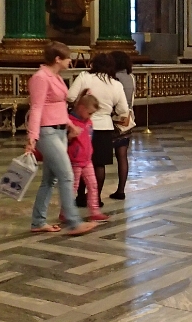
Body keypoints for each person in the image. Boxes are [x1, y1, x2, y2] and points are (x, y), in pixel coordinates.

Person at [26, 41, 96, 236]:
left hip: (59, 131)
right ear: (57, 59)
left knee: (50, 180)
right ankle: (74, 222)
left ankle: (38, 221)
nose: (70, 61)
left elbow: (57, 107)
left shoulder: (55, 77)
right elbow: (37, 108)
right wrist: (32, 137)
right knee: (67, 175)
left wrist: (70, 124)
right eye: (67, 58)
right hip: (46, 132)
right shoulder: (40, 78)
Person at [67, 52, 129, 206]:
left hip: (82, 126)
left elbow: (70, 96)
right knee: (99, 164)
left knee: (81, 162)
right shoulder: (116, 84)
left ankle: (81, 197)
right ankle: (96, 198)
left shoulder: (84, 77)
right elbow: (123, 110)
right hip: (105, 127)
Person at [65, 92, 108, 222]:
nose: (90, 116)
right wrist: (70, 137)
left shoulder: (88, 122)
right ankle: (65, 212)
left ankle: (94, 210)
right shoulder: (70, 122)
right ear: (81, 108)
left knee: (93, 185)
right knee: (73, 187)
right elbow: (63, 141)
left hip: (87, 160)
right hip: (75, 160)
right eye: (89, 113)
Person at [110, 50, 135, 200]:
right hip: (127, 119)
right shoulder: (131, 77)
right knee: (122, 156)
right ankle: (121, 190)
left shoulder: (115, 78)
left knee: (101, 157)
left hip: (114, 119)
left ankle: (94, 193)